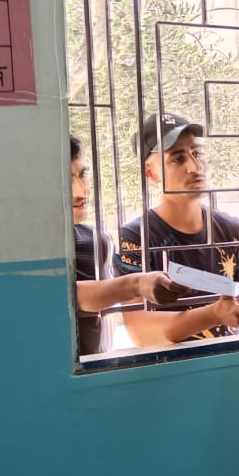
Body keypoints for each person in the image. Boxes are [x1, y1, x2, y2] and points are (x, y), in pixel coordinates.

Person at [116, 112, 239, 346]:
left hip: (231, 363)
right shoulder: (136, 237)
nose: (195, 166)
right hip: (174, 366)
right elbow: (141, 332)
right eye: (178, 158)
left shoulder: (234, 231)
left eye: (197, 153)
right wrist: (214, 314)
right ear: (150, 173)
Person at [69, 136, 187, 356]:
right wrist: (137, 284)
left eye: (83, 174)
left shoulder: (95, 238)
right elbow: (69, 295)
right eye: (64, 180)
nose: (82, 191)